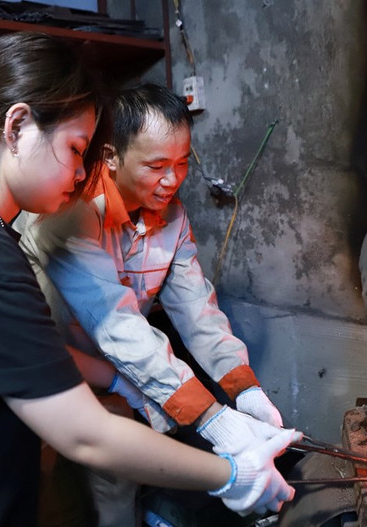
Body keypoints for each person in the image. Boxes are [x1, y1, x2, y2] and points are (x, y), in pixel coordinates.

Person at [0, 33, 302, 527]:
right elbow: (88, 434)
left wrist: (228, 390)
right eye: (77, 150)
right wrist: (231, 471)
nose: (82, 174)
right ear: (17, 126)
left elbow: (34, 352)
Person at [18, 83, 290, 526]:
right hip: (53, 364)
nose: (172, 179)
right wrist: (213, 420)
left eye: (182, 164)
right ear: (110, 156)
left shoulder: (172, 216)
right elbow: (115, 322)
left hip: (125, 362)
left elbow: (196, 308)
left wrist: (246, 389)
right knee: (76, 481)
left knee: (125, 470)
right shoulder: (69, 214)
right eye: (156, 165)